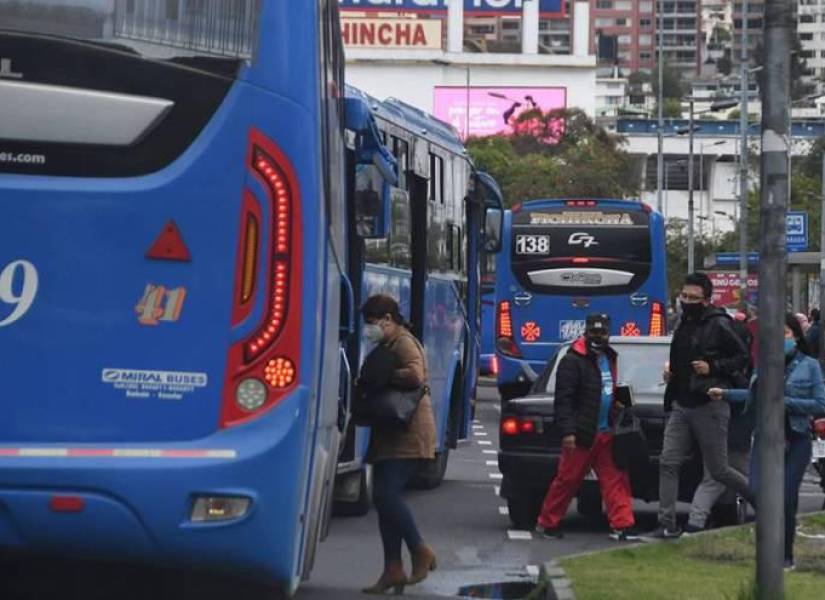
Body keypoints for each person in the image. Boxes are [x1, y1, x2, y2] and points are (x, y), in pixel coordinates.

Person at [709, 314, 825, 570]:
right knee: (758, 491)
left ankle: (785, 555)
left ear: (795, 335)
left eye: (783, 334)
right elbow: (754, 398)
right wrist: (726, 394)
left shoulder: (809, 366)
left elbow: (820, 403)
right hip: (764, 439)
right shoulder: (764, 365)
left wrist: (783, 403)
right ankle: (768, 547)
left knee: (786, 496)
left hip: (795, 439)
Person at [650, 273, 754, 539]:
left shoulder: (719, 323)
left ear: (707, 300)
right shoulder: (682, 322)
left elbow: (742, 357)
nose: (687, 301)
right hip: (681, 402)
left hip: (709, 403)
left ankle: (763, 501)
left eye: (694, 298)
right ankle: (667, 523)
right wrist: (672, 373)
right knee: (668, 462)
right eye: (684, 296)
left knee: (719, 469)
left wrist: (713, 367)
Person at [357, 294, 437, 594]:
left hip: (409, 431)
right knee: (383, 498)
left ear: (388, 320)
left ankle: (419, 549)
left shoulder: (403, 342)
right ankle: (393, 568)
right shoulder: (388, 343)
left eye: (373, 323)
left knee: (387, 495)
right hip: (392, 431)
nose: (369, 329)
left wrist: (385, 375)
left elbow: (416, 375)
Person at [534, 314, 638, 542]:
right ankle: (547, 523)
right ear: (585, 332)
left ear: (608, 334)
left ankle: (622, 525)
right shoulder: (572, 361)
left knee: (616, 479)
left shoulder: (609, 357)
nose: (597, 337)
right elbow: (564, 400)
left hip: (606, 432)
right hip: (582, 433)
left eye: (602, 333)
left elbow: (606, 388)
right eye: (594, 333)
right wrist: (568, 432)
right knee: (567, 480)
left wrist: (617, 404)